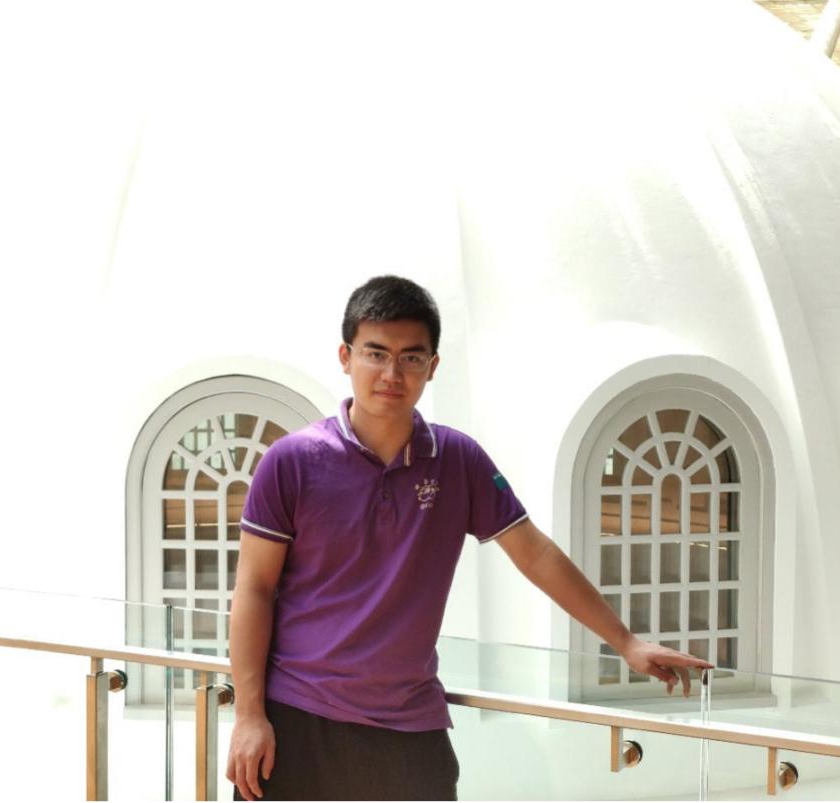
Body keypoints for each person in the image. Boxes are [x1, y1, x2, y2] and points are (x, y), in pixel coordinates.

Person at [225, 276, 711, 801]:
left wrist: (626, 642)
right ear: (346, 357)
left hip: (409, 726)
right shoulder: (293, 461)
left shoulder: (459, 461)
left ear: (432, 366)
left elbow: (535, 554)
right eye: (376, 353)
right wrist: (249, 714)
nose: (392, 374)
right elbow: (254, 588)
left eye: (411, 358)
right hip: (298, 716)